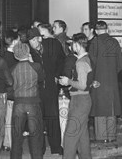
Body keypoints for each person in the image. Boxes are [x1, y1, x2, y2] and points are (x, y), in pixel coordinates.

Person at [29, 26, 65, 155]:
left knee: (53, 117)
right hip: (37, 90)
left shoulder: (52, 45)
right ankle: (40, 149)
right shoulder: (29, 52)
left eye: (33, 40)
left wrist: (57, 75)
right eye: (29, 41)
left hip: (50, 87)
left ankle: (56, 147)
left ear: (39, 38)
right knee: (38, 120)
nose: (32, 43)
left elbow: (62, 60)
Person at [59, 33, 94, 159]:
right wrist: (70, 84)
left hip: (80, 100)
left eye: (73, 44)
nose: (71, 47)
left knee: (70, 136)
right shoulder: (87, 59)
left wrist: (68, 81)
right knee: (82, 137)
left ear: (77, 45)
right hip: (82, 100)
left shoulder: (80, 63)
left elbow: (83, 85)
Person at [89, 20, 122, 142]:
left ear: (96, 31)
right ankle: (111, 136)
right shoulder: (114, 42)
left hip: (98, 80)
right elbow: (120, 64)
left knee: (99, 109)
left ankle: (102, 137)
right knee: (112, 108)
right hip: (112, 80)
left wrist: (92, 79)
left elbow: (91, 64)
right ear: (107, 29)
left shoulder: (95, 42)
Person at [10, 41, 45, 159]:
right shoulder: (36, 66)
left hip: (18, 104)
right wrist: (31, 61)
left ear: (15, 55)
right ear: (28, 52)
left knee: (16, 137)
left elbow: (10, 85)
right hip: (33, 103)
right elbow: (41, 79)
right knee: (36, 137)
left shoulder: (12, 68)